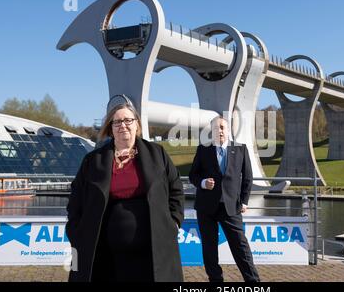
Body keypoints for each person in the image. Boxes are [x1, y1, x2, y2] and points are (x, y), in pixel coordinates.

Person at [66, 101, 184, 282]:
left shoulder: (157, 154)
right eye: (117, 122)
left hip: (154, 249)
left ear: (136, 124)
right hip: (105, 253)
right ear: (110, 128)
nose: (123, 125)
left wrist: (174, 222)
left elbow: (175, 188)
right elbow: (76, 198)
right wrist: (75, 230)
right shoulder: (93, 160)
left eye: (128, 120)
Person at [189, 115, 260, 282]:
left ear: (228, 130)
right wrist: (203, 182)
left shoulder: (241, 149)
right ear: (211, 132)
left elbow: (248, 178)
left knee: (241, 248)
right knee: (209, 250)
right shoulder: (203, 149)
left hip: (231, 207)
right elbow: (193, 175)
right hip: (206, 208)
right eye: (215, 128)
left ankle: (254, 283)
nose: (219, 131)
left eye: (222, 127)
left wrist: (244, 201)